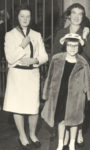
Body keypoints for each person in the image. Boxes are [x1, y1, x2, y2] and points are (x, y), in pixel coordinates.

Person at [3, 4, 48, 150]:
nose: (25, 19)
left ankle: (33, 134)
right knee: (18, 107)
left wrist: (34, 60)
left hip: (32, 74)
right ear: (17, 17)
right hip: (16, 75)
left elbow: (44, 56)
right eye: (22, 16)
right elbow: (10, 58)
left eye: (28, 16)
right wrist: (22, 46)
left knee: (33, 107)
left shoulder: (36, 34)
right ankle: (22, 136)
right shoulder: (10, 35)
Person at [41, 33, 90, 150]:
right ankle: (60, 144)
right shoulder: (56, 58)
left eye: (75, 46)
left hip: (76, 96)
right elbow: (49, 77)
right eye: (70, 45)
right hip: (59, 94)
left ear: (79, 47)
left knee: (74, 121)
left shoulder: (82, 62)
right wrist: (45, 93)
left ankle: (71, 144)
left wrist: (89, 95)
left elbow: (88, 80)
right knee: (61, 120)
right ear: (65, 45)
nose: (72, 48)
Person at [53, 3, 90, 146]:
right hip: (64, 75)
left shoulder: (87, 33)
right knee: (64, 105)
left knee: (79, 106)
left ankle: (79, 131)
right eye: (74, 13)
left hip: (80, 75)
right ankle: (64, 135)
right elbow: (54, 55)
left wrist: (83, 39)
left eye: (80, 14)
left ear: (83, 17)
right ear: (69, 16)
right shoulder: (61, 33)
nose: (77, 17)